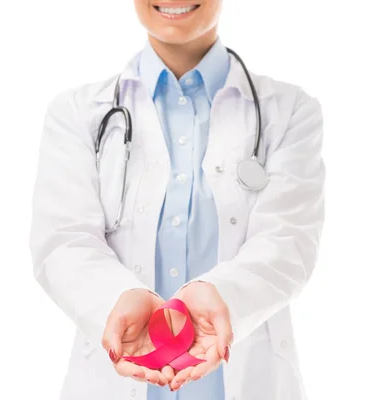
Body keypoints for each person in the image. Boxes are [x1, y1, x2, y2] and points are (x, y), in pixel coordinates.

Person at [29, 1, 325, 399]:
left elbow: (288, 240)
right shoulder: (78, 114)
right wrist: (118, 300)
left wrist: (222, 297)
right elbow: (63, 241)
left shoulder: (290, 112)